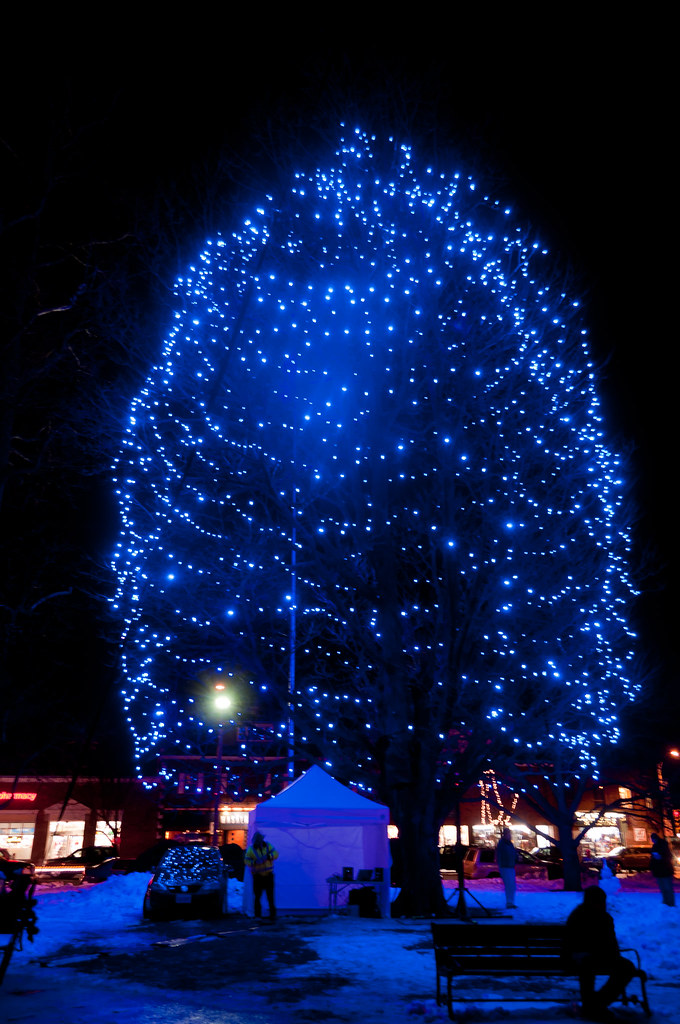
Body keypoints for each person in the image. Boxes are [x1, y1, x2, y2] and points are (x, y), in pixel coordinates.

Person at [563, 885, 636, 1021]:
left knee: (624, 967)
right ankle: (596, 1004)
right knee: (590, 965)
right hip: (588, 959)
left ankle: (594, 1004)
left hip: (592, 958)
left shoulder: (579, 916)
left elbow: (570, 942)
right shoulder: (597, 917)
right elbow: (610, 945)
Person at [245, 831, 279, 920]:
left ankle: (272, 915)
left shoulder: (268, 846)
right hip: (258, 876)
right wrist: (255, 862)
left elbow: (276, 854)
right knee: (257, 897)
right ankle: (258, 915)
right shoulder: (251, 849)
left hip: (268, 875)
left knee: (270, 896)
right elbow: (246, 861)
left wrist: (268, 857)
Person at [649, 832, 676, 907]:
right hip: (660, 871)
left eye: (652, 839)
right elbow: (653, 859)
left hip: (665, 871)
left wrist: (660, 858)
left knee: (667, 888)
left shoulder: (663, 845)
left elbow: (668, 856)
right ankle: (667, 903)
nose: (652, 840)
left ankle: (670, 904)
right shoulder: (656, 846)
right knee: (664, 888)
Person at [496, 827, 518, 909]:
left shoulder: (509, 844)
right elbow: (499, 855)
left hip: (510, 866)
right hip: (505, 867)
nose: (510, 835)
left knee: (512, 885)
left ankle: (511, 902)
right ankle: (509, 902)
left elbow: (512, 853)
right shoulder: (502, 844)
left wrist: (515, 858)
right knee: (509, 885)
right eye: (508, 834)